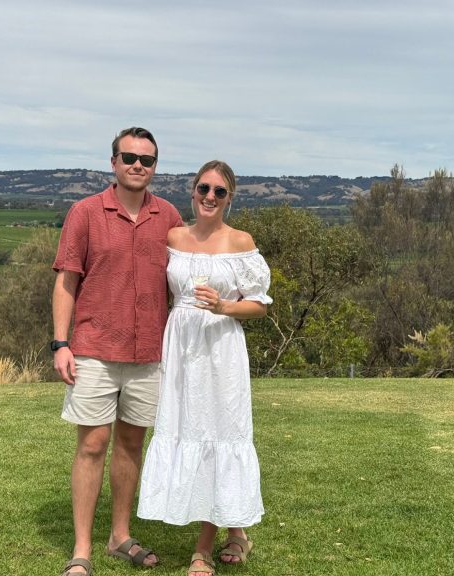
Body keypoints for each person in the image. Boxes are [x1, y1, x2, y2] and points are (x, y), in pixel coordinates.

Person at [51, 126, 183, 576]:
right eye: (129, 158)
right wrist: (61, 343)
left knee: (130, 444)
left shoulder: (168, 216)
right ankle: (82, 549)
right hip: (93, 348)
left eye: (146, 160)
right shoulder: (85, 212)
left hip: (148, 352)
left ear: (155, 167)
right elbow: (67, 281)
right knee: (92, 444)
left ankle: (119, 536)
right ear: (113, 162)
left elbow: (188, 273)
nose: (137, 166)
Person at [137, 160, 272, 576]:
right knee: (188, 430)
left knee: (220, 434)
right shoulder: (174, 237)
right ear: (193, 191)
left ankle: (203, 548)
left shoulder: (240, 241)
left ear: (230, 198)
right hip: (181, 350)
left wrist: (224, 306)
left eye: (219, 191)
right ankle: (238, 531)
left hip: (220, 350)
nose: (209, 197)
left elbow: (260, 305)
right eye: (203, 188)